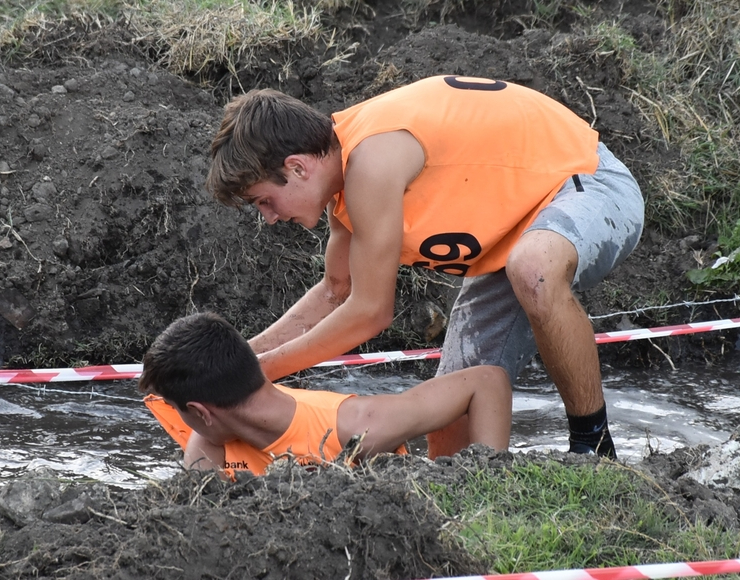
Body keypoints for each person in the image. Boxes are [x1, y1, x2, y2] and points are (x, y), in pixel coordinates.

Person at [206, 75, 645, 459]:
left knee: (533, 268)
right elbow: (335, 290)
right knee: (449, 415)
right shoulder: (344, 176)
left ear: (297, 167)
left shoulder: (371, 162)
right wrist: (233, 363)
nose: (268, 216)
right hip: (517, 237)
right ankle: (481, 503)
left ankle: (593, 446)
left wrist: (256, 375)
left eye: (264, 201)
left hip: (593, 183)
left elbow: (370, 312)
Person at [139, 311, 512, 477]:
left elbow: (487, 381)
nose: (175, 419)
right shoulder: (209, 445)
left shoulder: (357, 427)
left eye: (175, 409)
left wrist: (483, 484)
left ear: (200, 411)